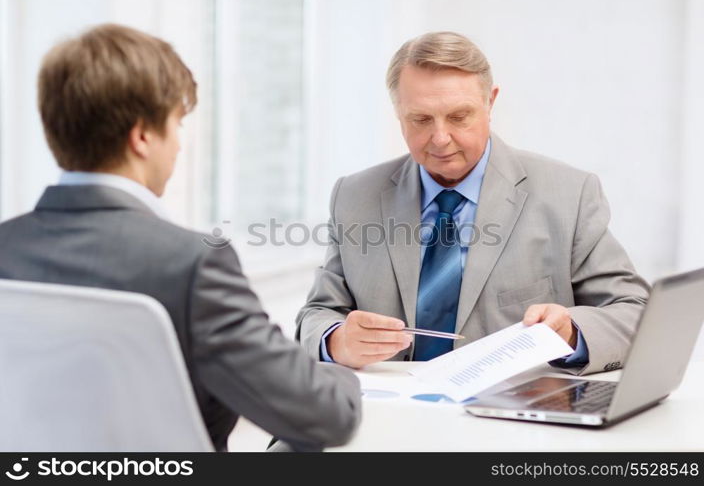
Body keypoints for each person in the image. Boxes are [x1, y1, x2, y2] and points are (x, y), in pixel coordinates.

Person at [0, 24, 361, 452]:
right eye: (176, 123)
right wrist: (343, 374)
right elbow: (325, 417)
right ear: (142, 137)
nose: (178, 146)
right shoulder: (192, 265)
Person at [296, 31, 650, 375]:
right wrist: (337, 340)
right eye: (420, 119)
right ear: (398, 113)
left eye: (459, 116)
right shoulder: (355, 195)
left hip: (511, 420)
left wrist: (571, 331)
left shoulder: (568, 193)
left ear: (490, 102)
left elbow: (635, 313)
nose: (440, 138)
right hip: (387, 415)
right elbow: (317, 313)